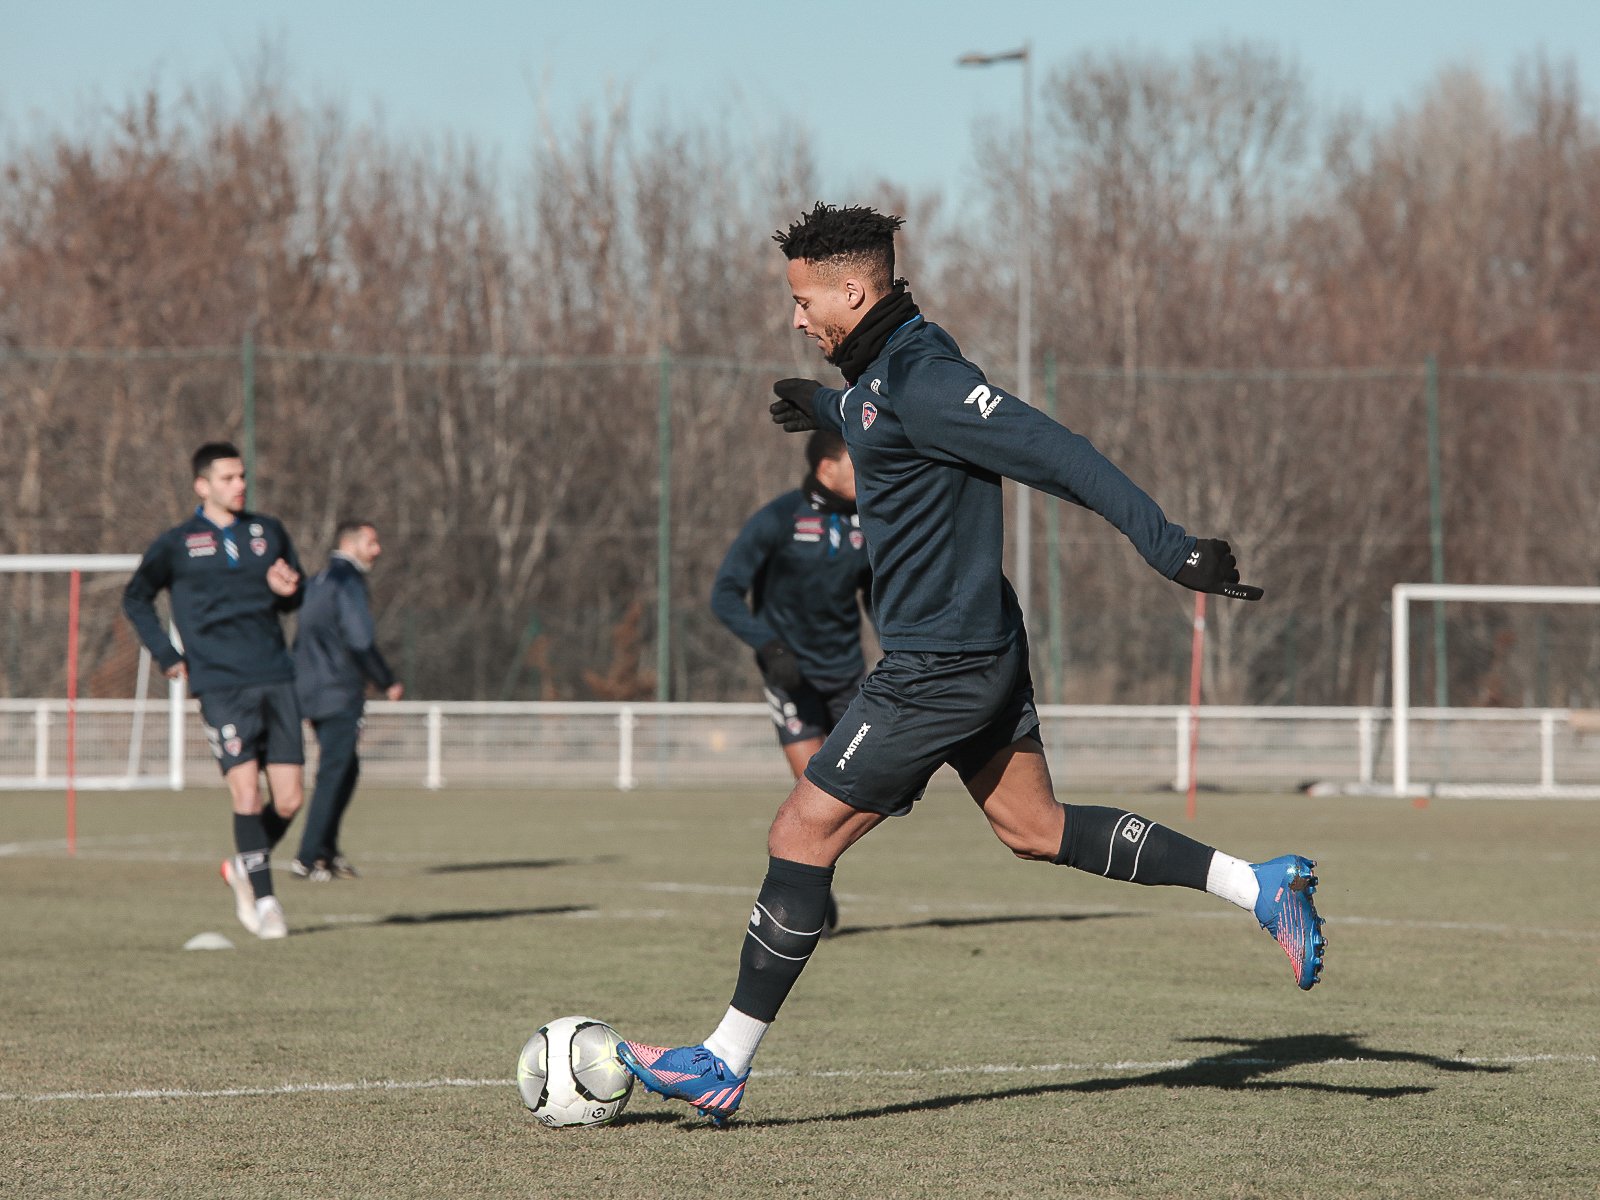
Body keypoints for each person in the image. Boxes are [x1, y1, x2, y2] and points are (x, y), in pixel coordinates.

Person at [617, 203, 1326, 1124]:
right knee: (1035, 828)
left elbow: (1059, 454)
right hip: (973, 647)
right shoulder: (889, 366)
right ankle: (1258, 884)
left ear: (854, 288)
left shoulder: (928, 378)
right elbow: (883, 414)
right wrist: (824, 403)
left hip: (938, 664)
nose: (796, 318)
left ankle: (721, 1060)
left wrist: (1172, 548)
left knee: (799, 834)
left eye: (803, 302)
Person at [123, 442, 305, 940]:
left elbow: (294, 593)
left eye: (242, 476)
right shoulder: (177, 543)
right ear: (202, 486)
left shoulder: (268, 531)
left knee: (288, 800)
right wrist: (165, 653)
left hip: (275, 674)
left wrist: (290, 589)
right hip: (220, 683)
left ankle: (247, 864)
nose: (239, 485)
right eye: (228, 478)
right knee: (246, 792)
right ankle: (267, 904)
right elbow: (136, 597)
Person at [710, 431, 875, 934]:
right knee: (814, 794)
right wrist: (770, 646)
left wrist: (903, 649)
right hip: (791, 679)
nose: (865, 468)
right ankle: (807, 888)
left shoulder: (869, 520)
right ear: (827, 466)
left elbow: (876, 598)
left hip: (848, 676)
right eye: (855, 460)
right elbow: (725, 594)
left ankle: (809, 869)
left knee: (865, 790)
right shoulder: (777, 518)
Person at [290, 519, 402, 881]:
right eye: (372, 541)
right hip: (338, 691)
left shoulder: (318, 580)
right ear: (351, 544)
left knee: (345, 769)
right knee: (334, 771)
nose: (378, 549)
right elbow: (358, 638)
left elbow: (303, 638)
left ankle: (326, 851)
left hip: (313, 688)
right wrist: (386, 678)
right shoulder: (348, 581)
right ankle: (307, 859)